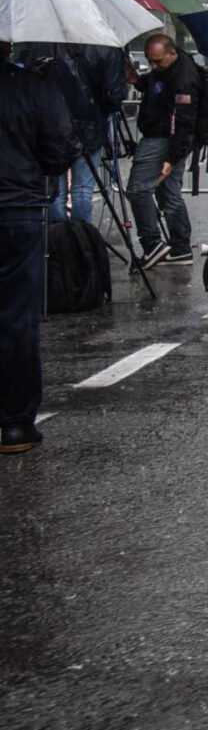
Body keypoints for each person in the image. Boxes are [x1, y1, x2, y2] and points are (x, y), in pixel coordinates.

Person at [2, 44, 81, 454]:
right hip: (17, 209)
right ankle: (14, 423)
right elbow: (62, 150)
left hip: (17, 203)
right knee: (17, 316)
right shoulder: (34, 89)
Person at [129, 32, 200, 265]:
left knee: (138, 188)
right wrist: (139, 81)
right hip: (165, 138)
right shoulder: (167, 71)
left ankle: (153, 244)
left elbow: (185, 120)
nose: (154, 66)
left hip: (162, 139)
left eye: (158, 61)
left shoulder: (184, 78)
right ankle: (180, 247)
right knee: (169, 193)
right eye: (150, 61)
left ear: (172, 53)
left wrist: (173, 156)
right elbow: (156, 88)